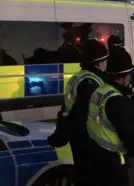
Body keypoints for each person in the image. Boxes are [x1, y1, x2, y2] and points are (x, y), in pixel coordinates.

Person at [85, 47, 134, 186]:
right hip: (112, 164)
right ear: (126, 77)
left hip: (94, 156)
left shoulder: (99, 91)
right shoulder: (119, 102)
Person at [48, 39, 108, 186]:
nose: (106, 63)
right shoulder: (90, 83)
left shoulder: (79, 76)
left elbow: (68, 107)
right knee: (90, 176)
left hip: (78, 138)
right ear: (99, 62)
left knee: (83, 173)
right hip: (87, 138)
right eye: (105, 60)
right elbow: (81, 113)